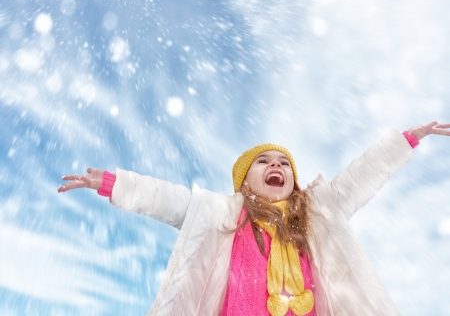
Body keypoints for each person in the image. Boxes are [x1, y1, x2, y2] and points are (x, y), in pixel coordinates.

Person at [58, 121, 450, 316]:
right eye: (263, 162)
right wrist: (113, 183)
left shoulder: (317, 213)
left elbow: (360, 177)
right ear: (245, 182)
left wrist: (407, 139)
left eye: (284, 163)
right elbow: (166, 199)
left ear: (293, 179)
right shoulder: (221, 214)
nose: (275, 165)